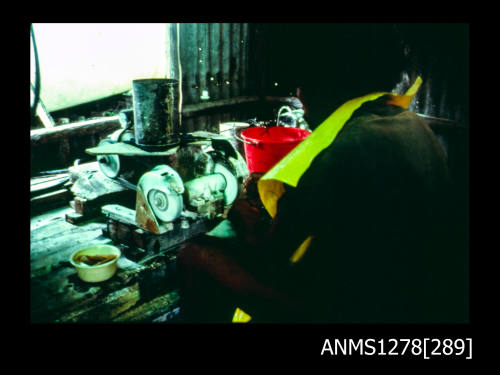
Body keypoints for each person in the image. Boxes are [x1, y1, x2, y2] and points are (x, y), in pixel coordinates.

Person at [175, 24, 469, 323]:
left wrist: (240, 215)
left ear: (326, 83)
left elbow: (270, 259)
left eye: (303, 84)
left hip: (358, 310)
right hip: (421, 296)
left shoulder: (343, 151)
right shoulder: (412, 124)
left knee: (194, 256)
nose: (300, 97)